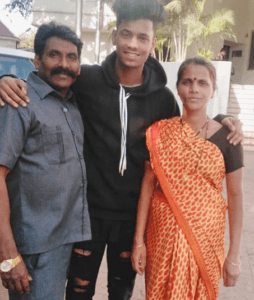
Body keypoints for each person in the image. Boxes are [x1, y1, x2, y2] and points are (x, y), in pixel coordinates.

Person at [0, 1, 243, 299]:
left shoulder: (164, 99)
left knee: (121, 293)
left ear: (152, 44)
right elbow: (46, 87)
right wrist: (5, 80)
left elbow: (187, 125)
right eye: (126, 34)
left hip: (132, 219)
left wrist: (223, 120)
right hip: (85, 216)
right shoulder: (86, 80)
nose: (133, 44)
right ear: (115, 36)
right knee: (78, 291)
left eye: (142, 37)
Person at [131, 56, 244, 300]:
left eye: (203, 83)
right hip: (162, 236)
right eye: (187, 82)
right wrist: (138, 242)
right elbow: (148, 185)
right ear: (178, 88)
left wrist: (234, 255)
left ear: (213, 90)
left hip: (206, 239)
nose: (194, 89)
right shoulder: (160, 132)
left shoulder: (229, 138)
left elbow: (235, 197)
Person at [0, 22, 91, 300]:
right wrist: (8, 256)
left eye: (71, 57)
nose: (64, 64)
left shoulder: (73, 105)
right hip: (33, 247)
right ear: (37, 59)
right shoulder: (20, 102)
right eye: (54, 55)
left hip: (66, 241)